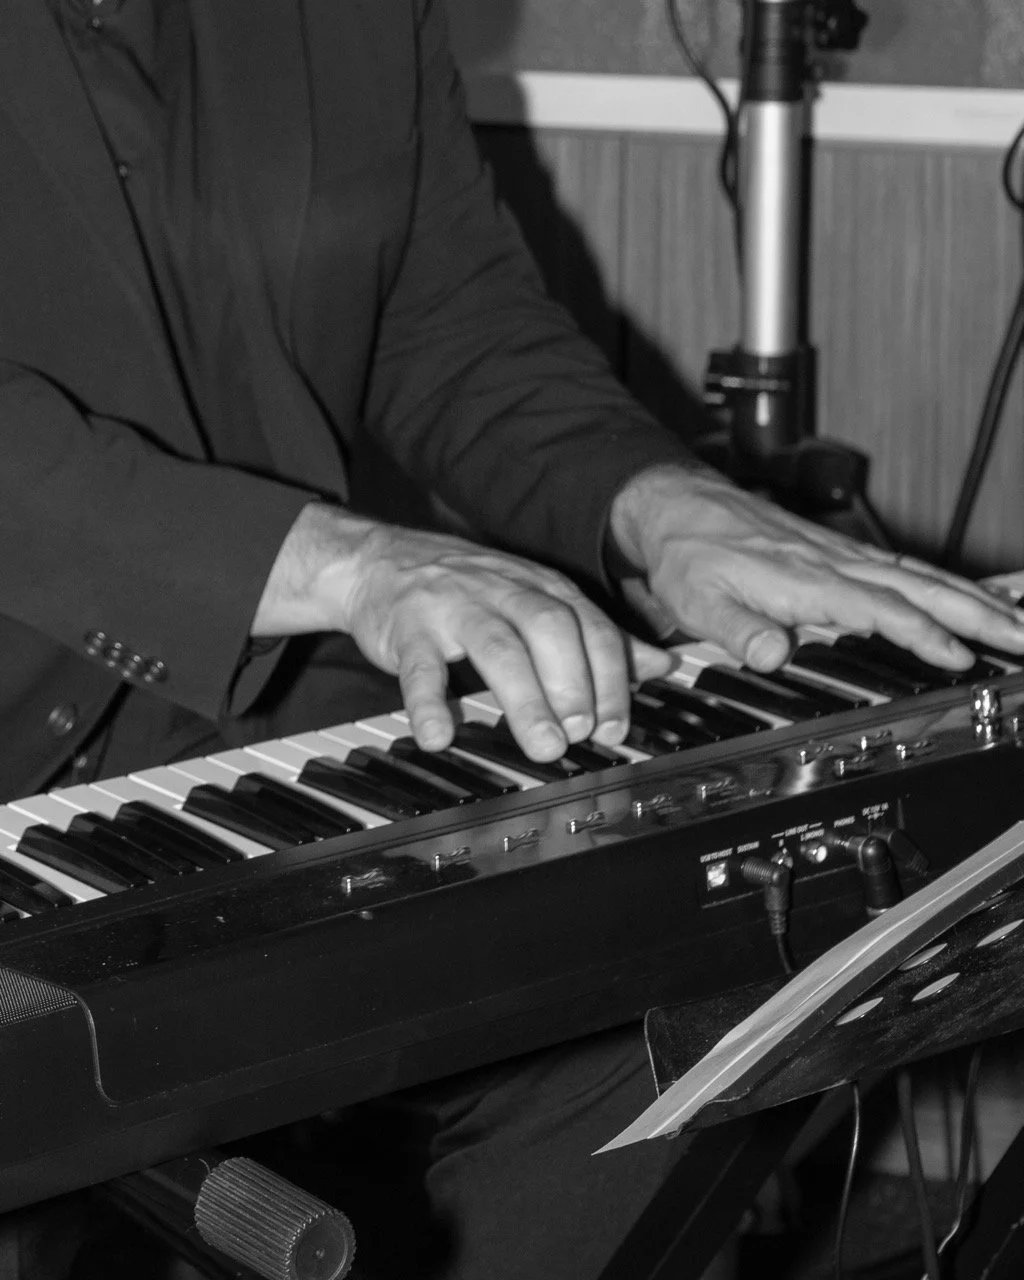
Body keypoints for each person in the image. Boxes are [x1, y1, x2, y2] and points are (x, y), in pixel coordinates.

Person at [0, 0, 1021, 1277]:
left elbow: (448, 317)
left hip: (252, 715)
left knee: (669, 986)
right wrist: (333, 558)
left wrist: (661, 509)